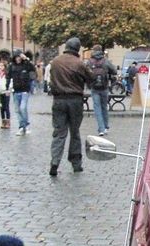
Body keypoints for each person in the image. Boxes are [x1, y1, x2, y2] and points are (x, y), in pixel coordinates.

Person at [48, 37, 93, 176]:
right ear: (77, 48)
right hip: (75, 100)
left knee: (59, 133)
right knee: (75, 132)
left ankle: (54, 162)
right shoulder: (79, 64)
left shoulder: (55, 62)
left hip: (58, 100)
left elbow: (51, 80)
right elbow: (90, 79)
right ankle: (76, 163)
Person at [87, 44, 117, 136]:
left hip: (94, 88)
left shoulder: (90, 62)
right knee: (104, 107)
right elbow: (114, 71)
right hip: (104, 87)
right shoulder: (105, 61)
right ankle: (106, 127)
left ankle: (101, 129)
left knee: (97, 108)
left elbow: (85, 73)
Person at [7, 49, 35, 135]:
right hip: (15, 91)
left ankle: (26, 126)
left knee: (23, 108)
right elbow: (8, 77)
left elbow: (33, 68)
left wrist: (26, 59)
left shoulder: (26, 65)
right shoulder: (11, 66)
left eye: (19, 57)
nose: (18, 59)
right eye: (16, 57)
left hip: (25, 91)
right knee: (17, 110)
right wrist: (7, 88)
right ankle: (21, 127)